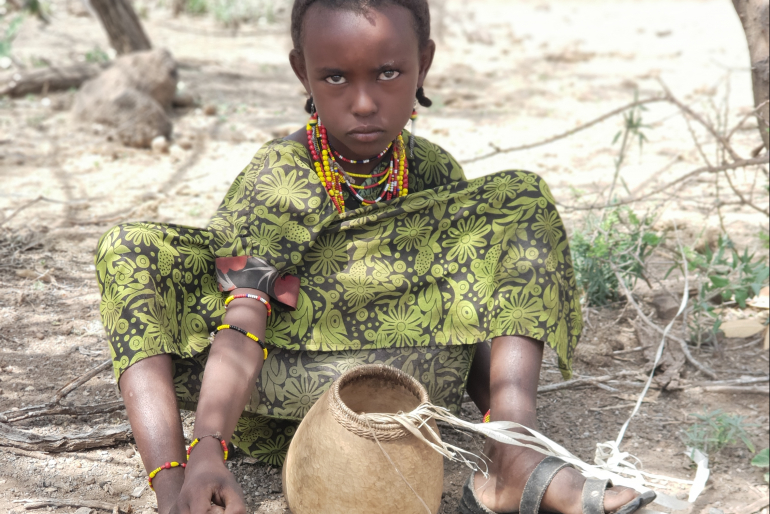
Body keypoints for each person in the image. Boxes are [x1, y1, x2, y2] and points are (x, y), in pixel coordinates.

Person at [95, 0, 656, 512]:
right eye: (334, 77)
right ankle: (176, 491)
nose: (363, 103)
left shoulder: (435, 172)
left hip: (411, 390)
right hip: (285, 388)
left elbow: (479, 318)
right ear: (302, 73)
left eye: (388, 74)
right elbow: (243, 319)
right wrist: (210, 447)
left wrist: (498, 417)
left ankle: (512, 457)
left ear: (423, 64)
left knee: (519, 198)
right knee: (131, 251)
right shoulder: (280, 179)